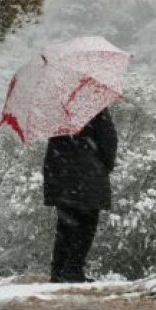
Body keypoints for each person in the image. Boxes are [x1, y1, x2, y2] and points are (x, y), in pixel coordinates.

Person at [42, 107, 117, 283]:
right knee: (86, 225)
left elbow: (53, 147)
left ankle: (58, 270)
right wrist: (105, 165)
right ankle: (73, 270)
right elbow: (109, 140)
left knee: (65, 225)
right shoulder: (95, 108)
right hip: (87, 177)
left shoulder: (58, 110)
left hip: (60, 176)